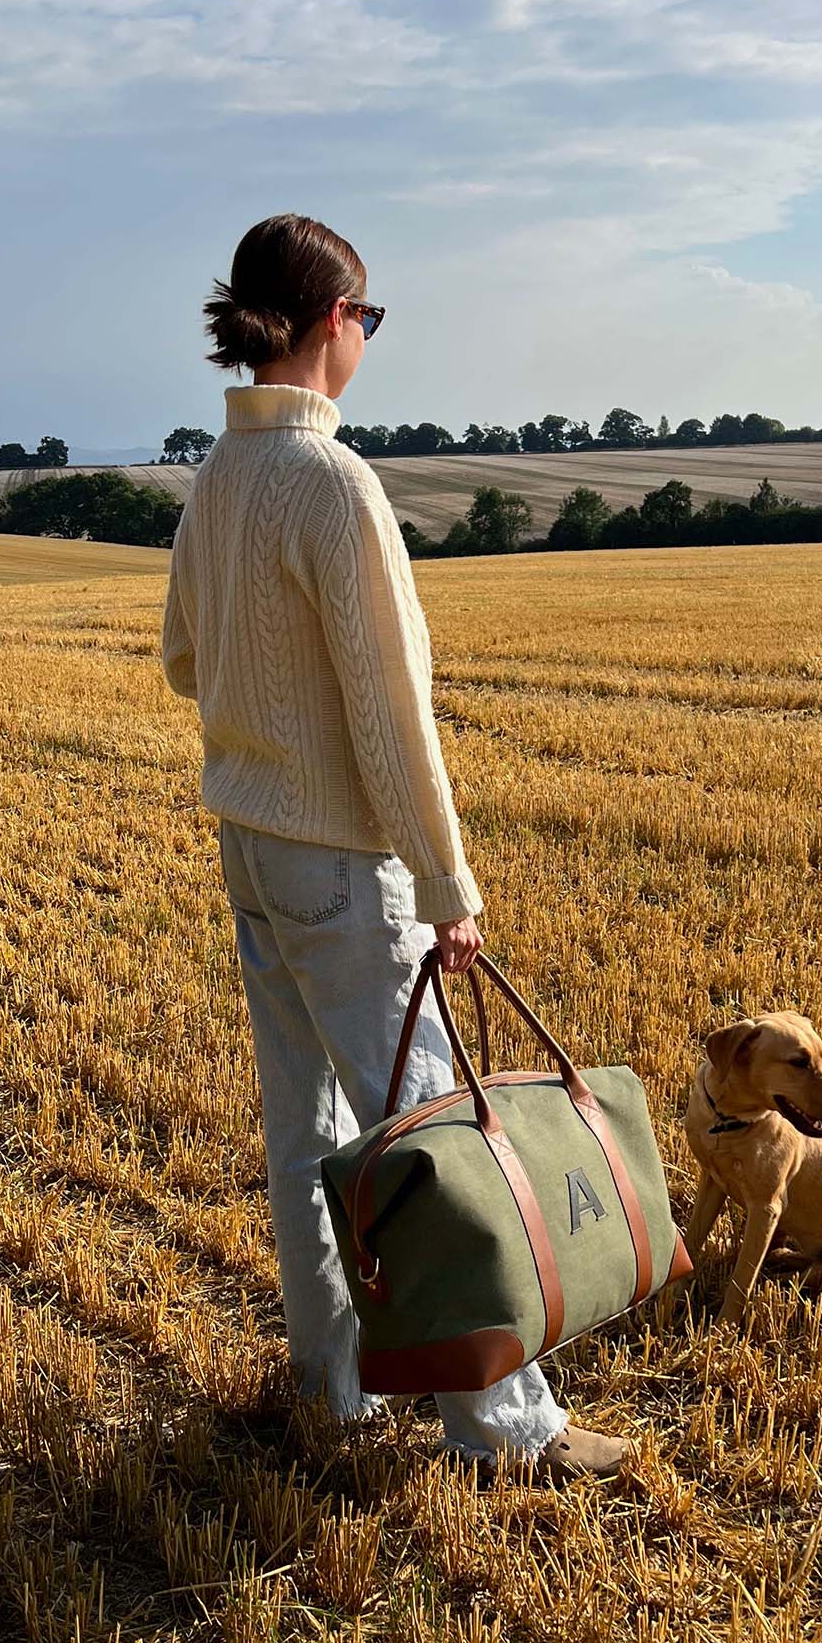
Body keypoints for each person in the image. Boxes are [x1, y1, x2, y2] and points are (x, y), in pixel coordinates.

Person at [159, 213, 629, 1476]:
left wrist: (256, 721)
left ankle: (333, 1390)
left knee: (303, 1135)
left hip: (248, 843)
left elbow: (181, 660)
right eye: (368, 318)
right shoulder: (333, 483)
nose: (368, 339)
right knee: (428, 1143)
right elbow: (388, 715)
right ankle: (506, 1427)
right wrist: (446, 883)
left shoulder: (216, 478)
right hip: (342, 864)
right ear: (333, 322)